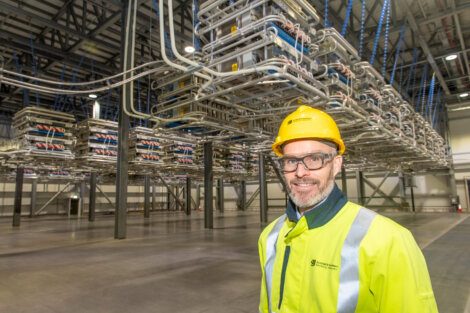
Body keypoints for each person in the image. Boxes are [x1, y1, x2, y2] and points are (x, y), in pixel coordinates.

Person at [258, 105, 438, 313]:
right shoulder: (270, 236)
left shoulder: (389, 241)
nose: (300, 172)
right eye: (291, 161)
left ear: (336, 164)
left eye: (314, 159)